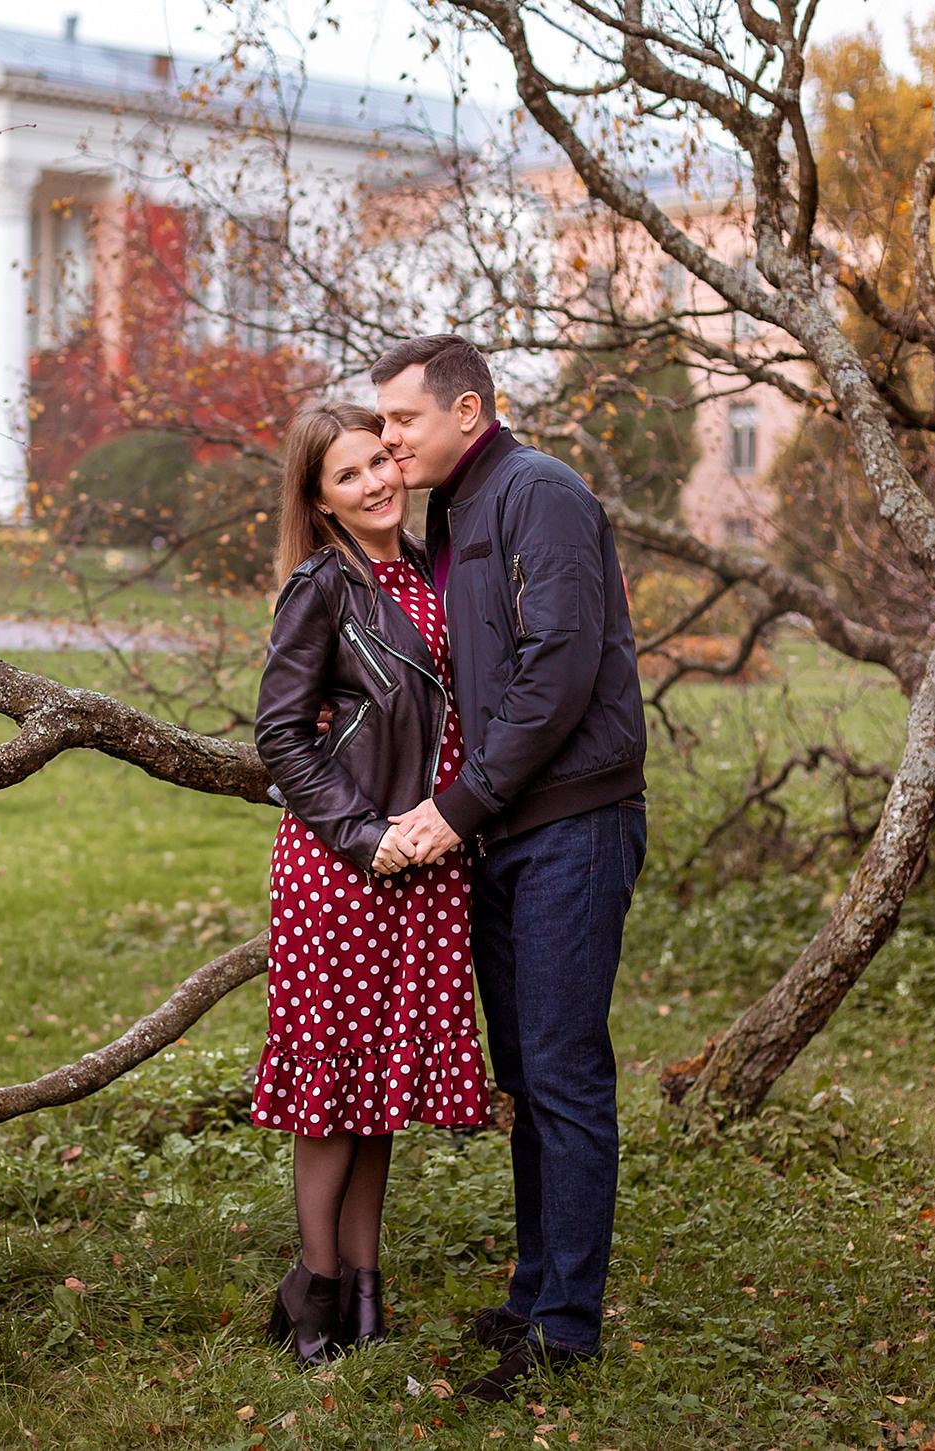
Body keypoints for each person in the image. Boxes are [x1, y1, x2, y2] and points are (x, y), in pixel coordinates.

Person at [372, 335, 647, 1401]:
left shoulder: (541, 493)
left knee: (565, 1075)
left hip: (569, 825)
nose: (387, 440)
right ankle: (535, 1290)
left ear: (468, 411)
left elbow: (558, 670)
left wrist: (455, 806)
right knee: (528, 1077)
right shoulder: (453, 513)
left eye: (401, 420)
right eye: (382, 423)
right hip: (503, 832)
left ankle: (566, 1331)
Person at [252, 401, 490, 1364]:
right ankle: (313, 1290)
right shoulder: (320, 587)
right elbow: (279, 735)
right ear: (320, 499)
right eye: (348, 476)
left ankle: (364, 1293)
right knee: (330, 1089)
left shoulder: (435, 571)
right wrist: (362, 835)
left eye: (381, 461)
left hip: (427, 867)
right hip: (344, 871)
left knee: (379, 1089)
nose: (377, 482)